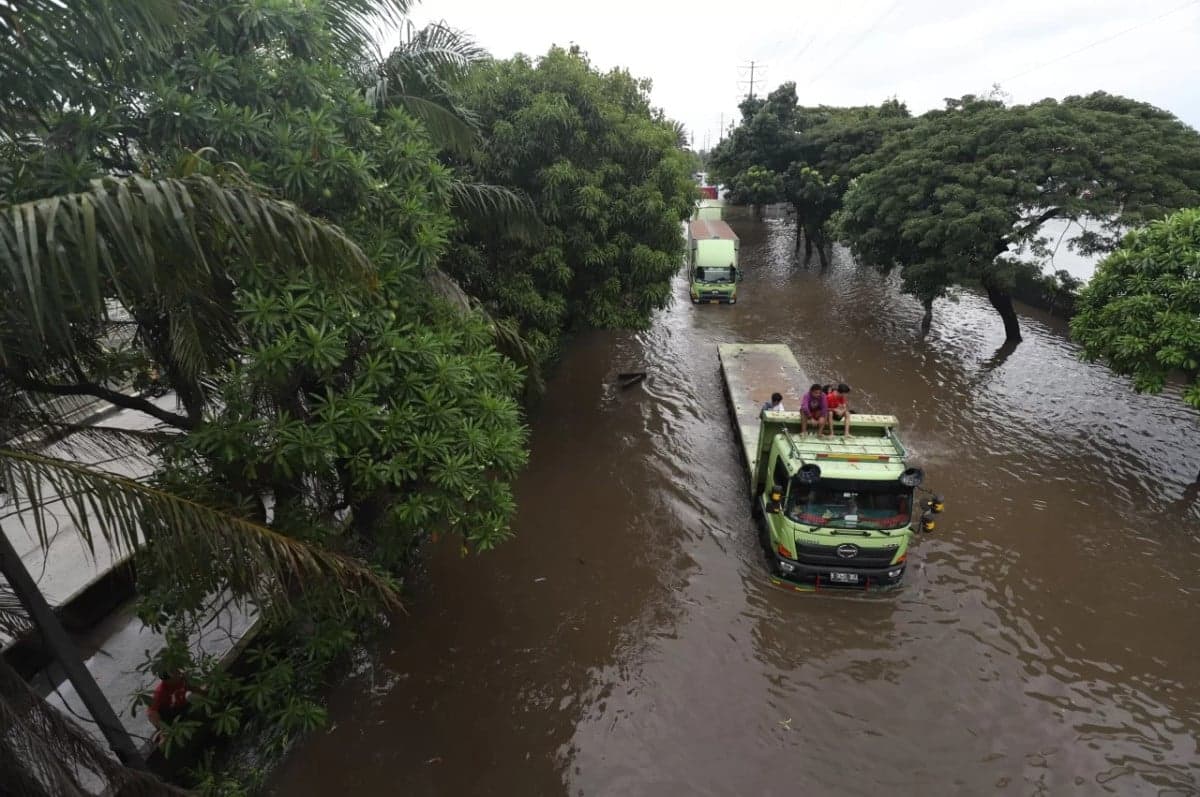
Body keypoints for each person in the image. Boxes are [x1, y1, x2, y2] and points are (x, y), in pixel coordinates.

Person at [147, 670, 193, 739]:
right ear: (167, 680)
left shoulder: (183, 679)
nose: (179, 675)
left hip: (185, 706)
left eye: (178, 673)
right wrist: (163, 729)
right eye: (175, 675)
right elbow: (151, 712)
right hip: (173, 714)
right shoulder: (160, 692)